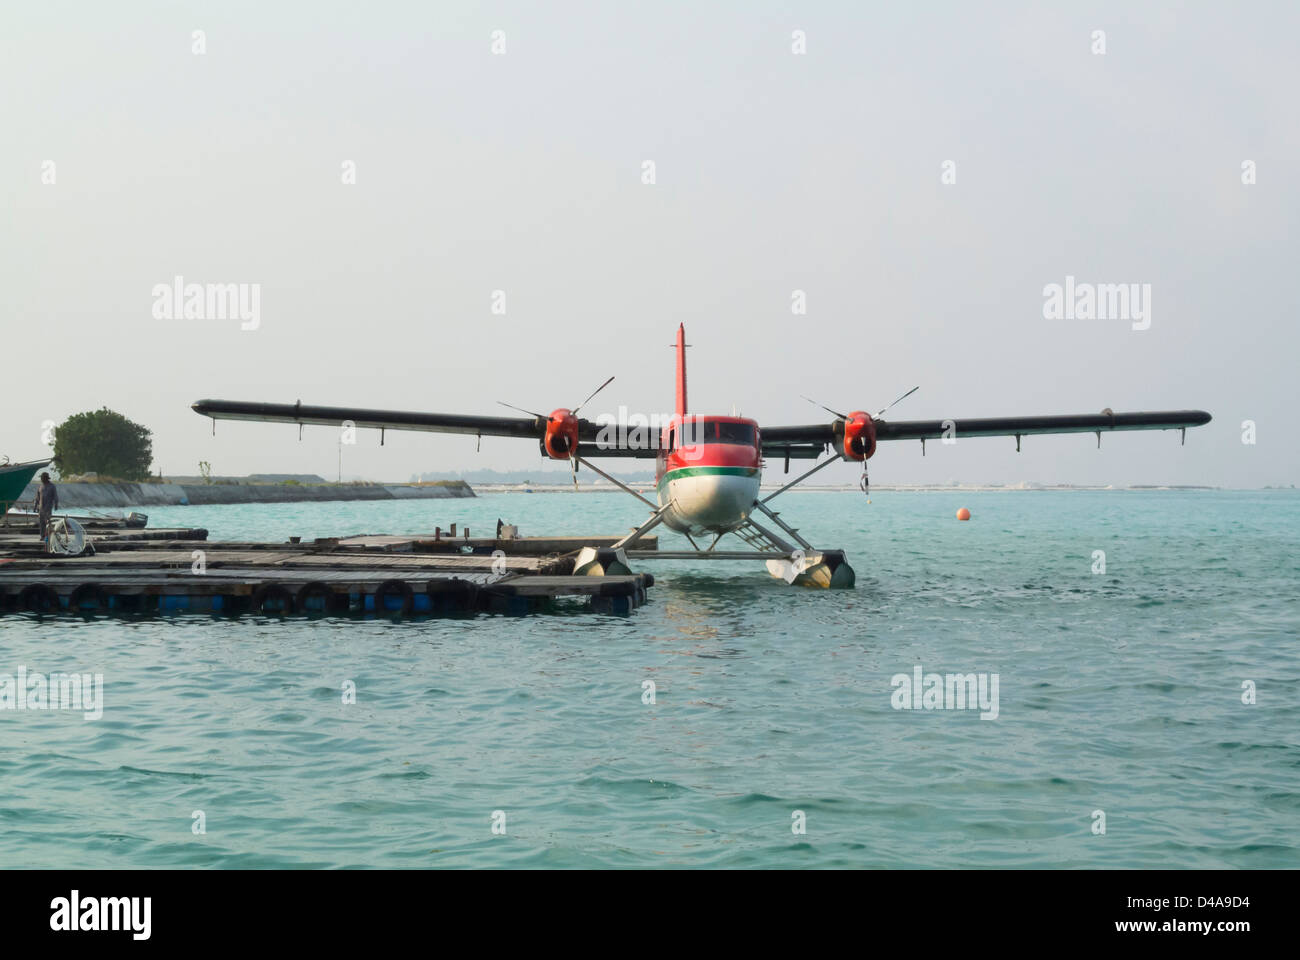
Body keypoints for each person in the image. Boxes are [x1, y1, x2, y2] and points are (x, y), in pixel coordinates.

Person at [34, 472, 58, 542]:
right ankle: (42, 536)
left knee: (48, 522)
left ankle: (48, 537)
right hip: (41, 508)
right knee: (41, 523)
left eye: (42, 478)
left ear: (46, 478)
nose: (41, 479)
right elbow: (37, 497)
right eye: (41, 478)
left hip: (48, 507)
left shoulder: (52, 486)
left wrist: (56, 504)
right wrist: (35, 506)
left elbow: (55, 496)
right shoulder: (40, 486)